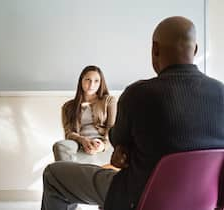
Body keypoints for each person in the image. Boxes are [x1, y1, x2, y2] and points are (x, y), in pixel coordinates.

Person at [41, 16, 224, 210]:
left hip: (137, 198)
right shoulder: (221, 92)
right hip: (201, 200)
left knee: (53, 175)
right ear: (195, 49)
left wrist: (123, 148)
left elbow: (116, 139)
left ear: (155, 49)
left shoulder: (139, 94)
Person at [53, 65, 117, 164]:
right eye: (88, 80)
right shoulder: (68, 106)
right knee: (59, 146)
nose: (91, 85)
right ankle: (68, 174)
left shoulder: (109, 100)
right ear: (81, 81)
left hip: (102, 142)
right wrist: (82, 140)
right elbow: (68, 133)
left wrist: (103, 145)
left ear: (101, 83)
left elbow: (112, 127)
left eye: (96, 81)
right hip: (78, 143)